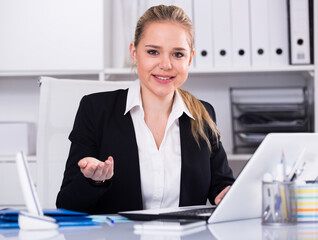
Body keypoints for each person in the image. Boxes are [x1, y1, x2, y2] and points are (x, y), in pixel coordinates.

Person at [56, 5, 234, 214]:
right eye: (153, 52)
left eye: (178, 54)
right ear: (134, 52)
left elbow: (221, 186)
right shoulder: (95, 110)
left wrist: (227, 194)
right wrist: (93, 182)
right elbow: (66, 203)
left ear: (190, 58)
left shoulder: (203, 114)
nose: (166, 64)